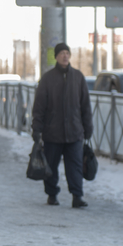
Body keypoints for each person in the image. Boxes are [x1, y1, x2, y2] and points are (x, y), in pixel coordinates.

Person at [31, 42, 93, 208]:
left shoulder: (78, 77)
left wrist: (88, 128)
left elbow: (85, 105)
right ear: (56, 57)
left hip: (74, 131)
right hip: (53, 132)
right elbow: (39, 107)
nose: (65, 56)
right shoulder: (48, 79)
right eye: (61, 53)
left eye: (67, 53)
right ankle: (52, 194)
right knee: (50, 166)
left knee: (76, 167)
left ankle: (77, 196)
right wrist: (37, 129)